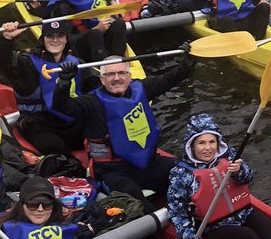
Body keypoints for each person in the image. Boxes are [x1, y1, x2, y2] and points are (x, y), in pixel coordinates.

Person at [53, 53, 194, 203]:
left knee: (188, 173)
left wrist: (189, 60)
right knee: (137, 202)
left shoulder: (141, 88)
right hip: (113, 170)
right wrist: (64, 82)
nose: (116, 78)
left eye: (121, 73)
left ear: (129, 76)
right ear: (102, 79)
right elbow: (61, 107)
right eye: (110, 74)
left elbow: (170, 79)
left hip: (149, 162)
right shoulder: (91, 103)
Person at [0, 19, 87, 156]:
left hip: (69, 119)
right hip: (37, 122)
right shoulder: (26, 63)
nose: (55, 40)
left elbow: (95, 87)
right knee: (55, 146)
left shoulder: (76, 62)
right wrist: (6, 39)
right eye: (50, 36)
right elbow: (2, 62)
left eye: (60, 36)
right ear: (43, 39)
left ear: (66, 39)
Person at [47, 0, 128, 63]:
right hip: (83, 44)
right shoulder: (62, 7)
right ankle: (104, 66)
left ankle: (119, 61)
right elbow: (66, 40)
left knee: (119, 24)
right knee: (95, 34)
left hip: (102, 30)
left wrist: (113, 3)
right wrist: (95, 29)